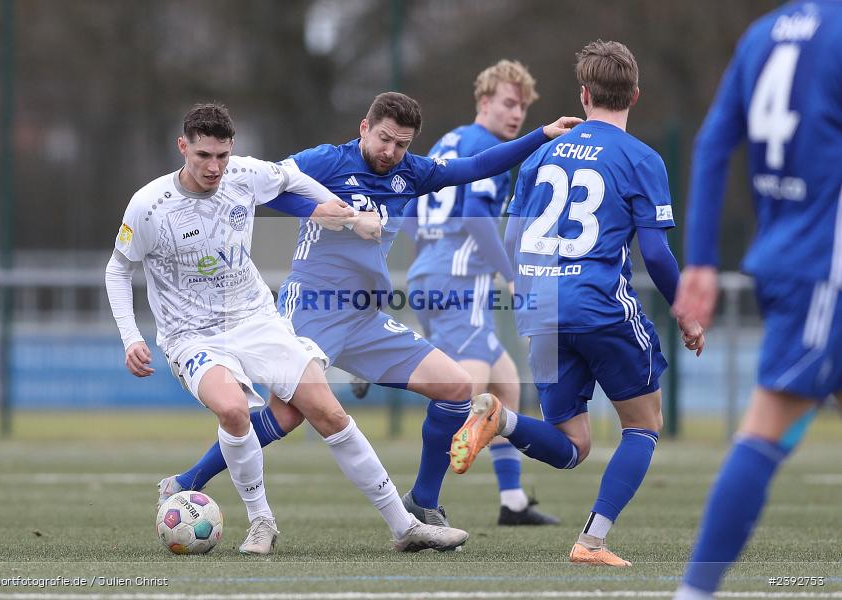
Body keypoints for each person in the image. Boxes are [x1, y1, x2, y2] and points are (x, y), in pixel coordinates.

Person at [159, 93, 582, 530]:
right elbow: (263, 190)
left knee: (456, 387)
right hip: (312, 306)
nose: (390, 151)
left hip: (363, 315)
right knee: (287, 414)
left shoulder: (410, 172)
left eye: (401, 144)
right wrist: (322, 211)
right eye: (384, 139)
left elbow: (475, 167)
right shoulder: (328, 161)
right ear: (364, 127)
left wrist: (541, 135)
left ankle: (423, 502)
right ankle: (186, 482)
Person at [105, 103, 470, 555]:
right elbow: (117, 270)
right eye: (203, 156)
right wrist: (131, 337)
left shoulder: (243, 174)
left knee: (329, 412)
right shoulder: (150, 205)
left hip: (256, 319)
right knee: (234, 409)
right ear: (183, 147)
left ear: (232, 149)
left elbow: (293, 180)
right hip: (191, 335)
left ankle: (405, 526)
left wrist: (340, 212)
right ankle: (261, 522)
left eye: (222, 155)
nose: (214, 167)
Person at [449, 40, 704, 566]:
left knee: (572, 446)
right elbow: (656, 252)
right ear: (635, 95)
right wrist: (685, 309)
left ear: (584, 94)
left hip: (541, 306)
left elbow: (514, 235)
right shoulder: (641, 158)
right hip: (599, 304)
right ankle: (591, 542)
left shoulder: (541, 151)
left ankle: (502, 420)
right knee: (643, 424)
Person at [671, 2, 842, 597]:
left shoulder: (762, 34)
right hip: (825, 270)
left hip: (785, 258)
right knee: (767, 427)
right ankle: (695, 591)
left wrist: (700, 260)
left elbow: (713, 145)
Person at [402, 60, 559, 526]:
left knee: (505, 384)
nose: (517, 114)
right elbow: (474, 215)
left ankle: (513, 502)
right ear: (484, 101)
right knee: (465, 389)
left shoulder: (450, 140)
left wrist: (431, 252)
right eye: (509, 103)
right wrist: (511, 275)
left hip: (430, 273)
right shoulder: (489, 147)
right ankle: (422, 499)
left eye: (523, 107)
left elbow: (409, 210)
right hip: (460, 279)